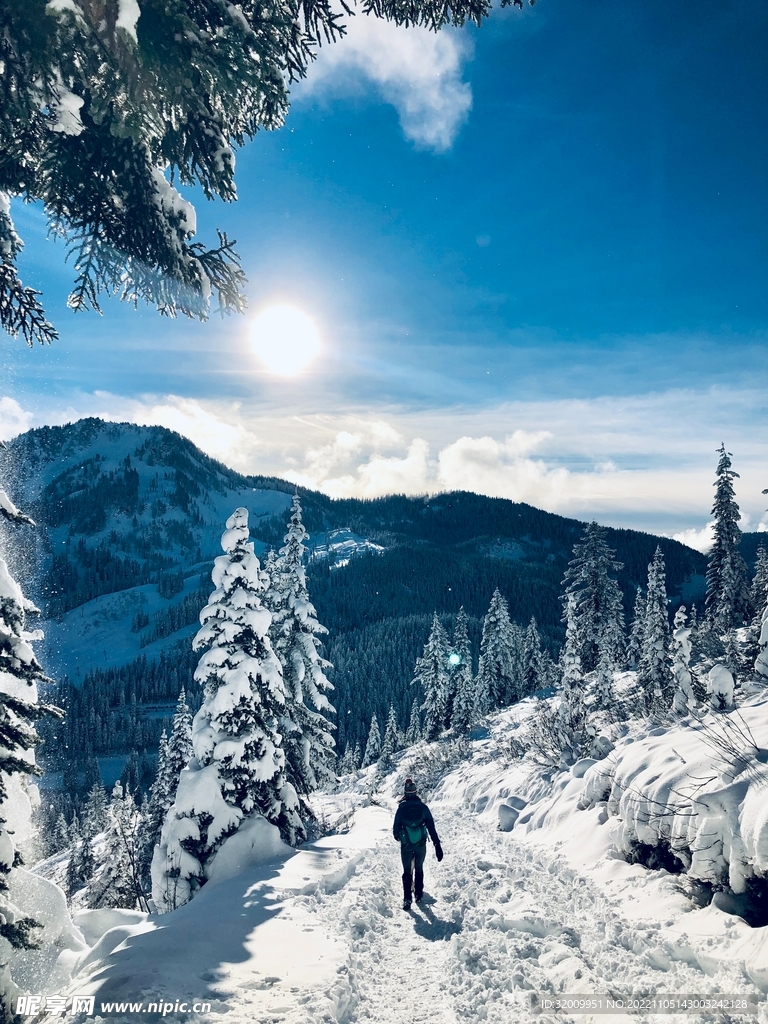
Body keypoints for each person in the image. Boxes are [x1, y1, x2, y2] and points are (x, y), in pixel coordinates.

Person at [393, 777, 443, 910]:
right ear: (416, 792)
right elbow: (431, 827)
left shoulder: (401, 808)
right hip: (421, 843)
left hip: (406, 844)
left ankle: (407, 899)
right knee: (419, 868)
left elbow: (396, 828)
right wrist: (437, 845)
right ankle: (419, 894)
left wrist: (399, 836)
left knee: (407, 871)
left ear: (405, 793)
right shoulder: (423, 807)